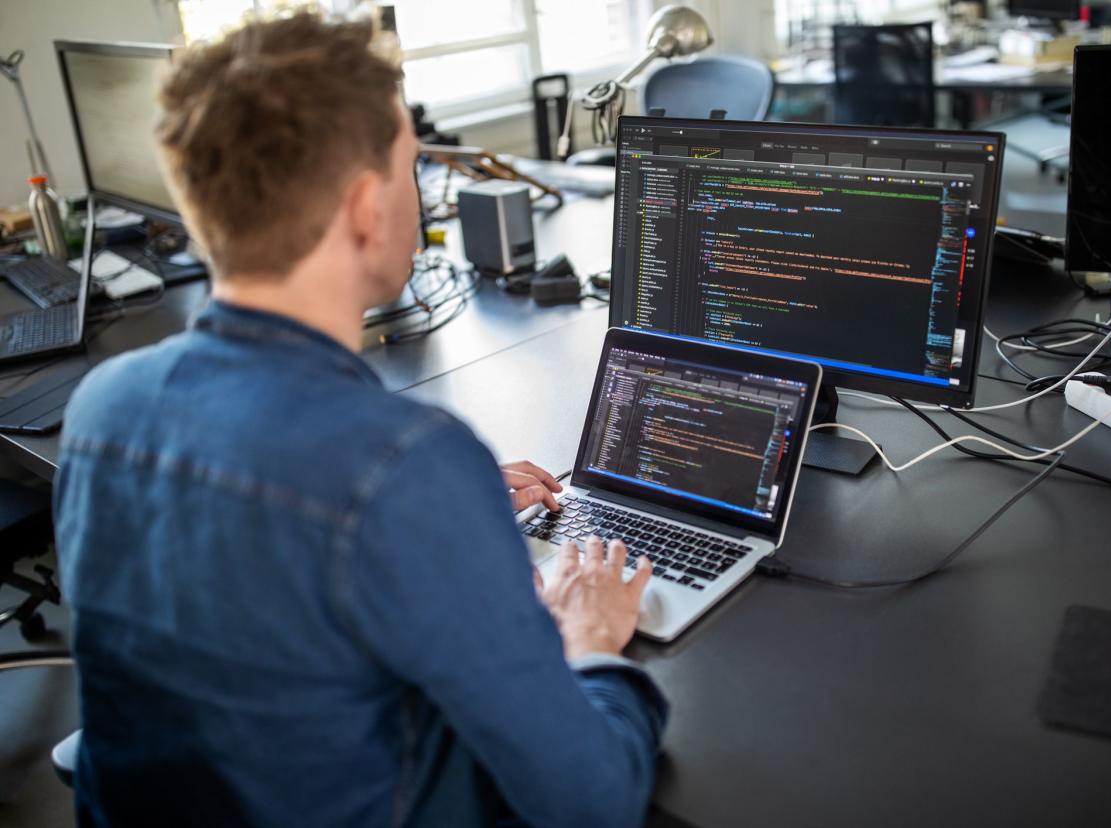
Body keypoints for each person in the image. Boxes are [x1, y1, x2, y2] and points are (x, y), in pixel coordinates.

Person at [53, 12, 666, 828]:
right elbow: (594, 801)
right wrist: (591, 642)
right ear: (365, 207)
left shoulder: (101, 406)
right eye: (412, 165)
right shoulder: (404, 466)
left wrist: (433, 516)